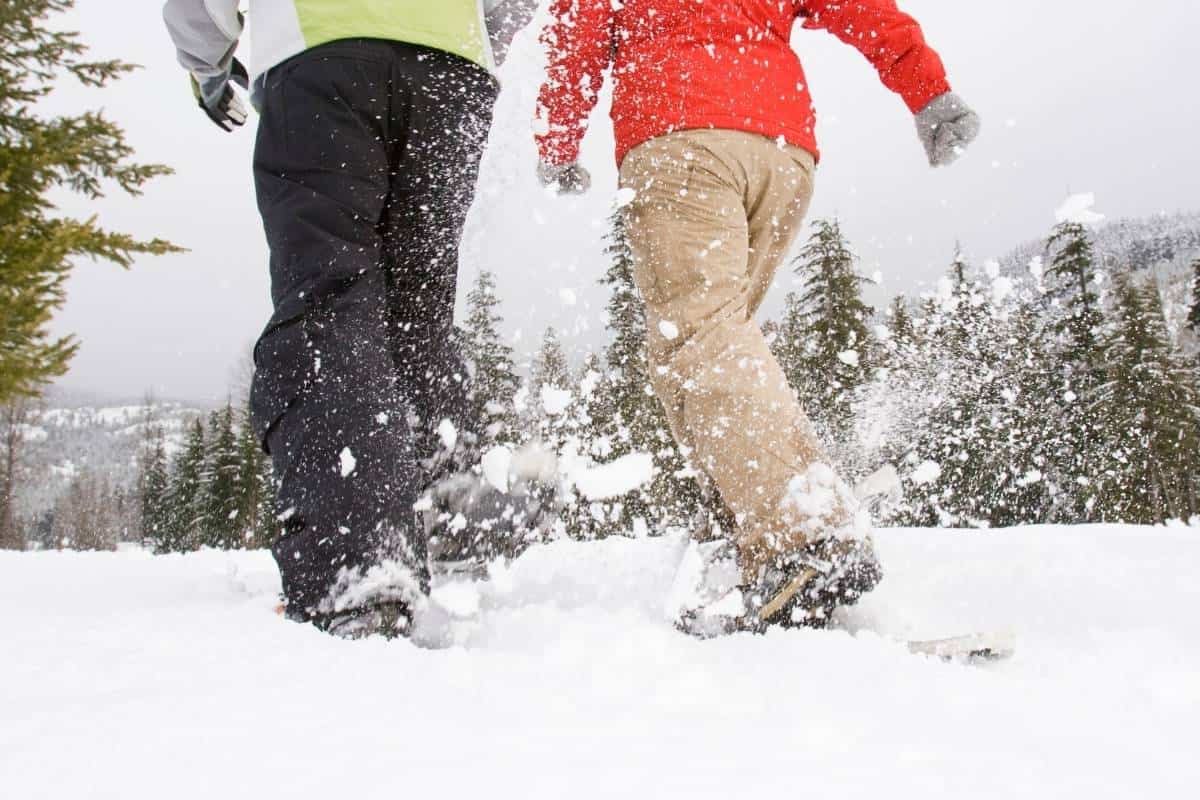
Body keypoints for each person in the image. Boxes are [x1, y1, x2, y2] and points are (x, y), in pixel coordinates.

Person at [535, 0, 980, 636]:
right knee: (695, 351)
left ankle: (804, 537)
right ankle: (746, 534)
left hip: (681, 138)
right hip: (782, 153)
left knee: (702, 341)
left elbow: (575, 36)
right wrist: (926, 89)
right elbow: (862, 8)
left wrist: (556, 143)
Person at [163, 0, 543, 640]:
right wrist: (468, 38)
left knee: (331, 305)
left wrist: (208, 70)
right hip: (454, 72)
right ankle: (455, 507)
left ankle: (363, 566)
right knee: (416, 312)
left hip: (326, 53)